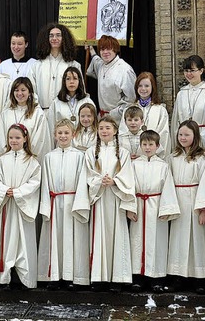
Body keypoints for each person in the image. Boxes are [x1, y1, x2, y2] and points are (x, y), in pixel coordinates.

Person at [85, 115, 136, 291]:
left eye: (108, 128)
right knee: (99, 236)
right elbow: (89, 173)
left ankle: (118, 278)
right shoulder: (91, 152)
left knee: (118, 235)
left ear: (115, 131)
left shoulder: (123, 152)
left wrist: (115, 181)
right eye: (101, 128)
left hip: (116, 199)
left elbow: (128, 175)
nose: (104, 131)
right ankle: (99, 277)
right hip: (99, 199)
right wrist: (99, 181)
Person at [0, 124, 41, 290]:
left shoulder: (32, 161)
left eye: (17, 137)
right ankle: (4, 276)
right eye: (11, 137)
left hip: (22, 207)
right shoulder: (3, 160)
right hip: (7, 206)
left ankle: (25, 278)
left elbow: (35, 181)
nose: (14, 141)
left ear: (25, 139)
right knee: (6, 239)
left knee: (23, 241)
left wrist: (18, 192)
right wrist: (4, 190)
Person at [38, 119, 90, 289]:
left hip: (72, 203)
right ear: (54, 135)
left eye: (66, 133)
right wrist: (46, 206)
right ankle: (54, 276)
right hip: (55, 202)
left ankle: (71, 276)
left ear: (73, 134)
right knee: (55, 238)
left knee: (72, 240)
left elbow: (83, 181)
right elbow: (45, 183)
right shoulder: (48, 157)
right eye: (60, 133)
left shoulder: (79, 156)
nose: (63, 136)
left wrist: (79, 203)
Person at [127, 130, 180, 292]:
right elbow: (129, 186)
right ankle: (138, 277)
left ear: (158, 146)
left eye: (151, 144)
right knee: (136, 242)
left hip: (156, 205)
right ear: (140, 145)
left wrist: (166, 209)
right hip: (139, 204)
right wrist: (130, 207)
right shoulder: (134, 165)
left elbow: (168, 187)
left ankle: (156, 277)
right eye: (144, 144)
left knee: (157, 242)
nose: (147, 148)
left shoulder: (163, 166)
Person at [166, 120, 205, 293]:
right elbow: (168, 181)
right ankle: (179, 277)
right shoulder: (173, 157)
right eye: (180, 135)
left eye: (187, 135)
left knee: (198, 240)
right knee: (178, 241)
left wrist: (204, 209)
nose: (183, 138)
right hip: (178, 201)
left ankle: (201, 279)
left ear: (195, 136)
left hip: (195, 201)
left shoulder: (202, 158)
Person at [0, 77, 51, 163]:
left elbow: (40, 140)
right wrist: (9, 156)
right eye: (16, 90)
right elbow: (1, 139)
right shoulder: (5, 114)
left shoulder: (38, 114)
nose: (19, 93)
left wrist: (26, 156)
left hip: (29, 160)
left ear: (30, 92)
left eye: (23, 90)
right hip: (9, 160)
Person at [28, 23, 81, 110]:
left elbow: (79, 91)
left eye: (58, 35)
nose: (54, 38)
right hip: (43, 112)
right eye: (51, 36)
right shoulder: (37, 65)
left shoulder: (73, 65)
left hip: (66, 113)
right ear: (46, 39)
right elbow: (31, 91)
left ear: (64, 38)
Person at [119, 72, 171, 158]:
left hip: (152, 157)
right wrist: (129, 154)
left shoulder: (160, 110)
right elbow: (123, 133)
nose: (143, 89)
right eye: (140, 86)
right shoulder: (128, 110)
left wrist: (152, 155)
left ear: (152, 87)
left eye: (147, 86)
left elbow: (163, 136)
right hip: (131, 157)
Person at [86, 35, 136, 122]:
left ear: (115, 49)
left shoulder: (125, 70)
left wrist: (113, 114)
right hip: (102, 118)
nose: (105, 52)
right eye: (102, 49)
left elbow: (131, 99)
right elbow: (96, 60)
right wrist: (91, 50)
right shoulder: (102, 65)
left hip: (119, 120)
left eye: (108, 49)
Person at [171, 55, 205, 137]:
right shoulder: (182, 93)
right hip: (184, 137)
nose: (189, 74)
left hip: (204, 136)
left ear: (201, 71)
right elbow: (176, 121)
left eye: (192, 70)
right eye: (186, 71)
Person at [47, 67, 95, 134]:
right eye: (68, 79)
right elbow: (51, 127)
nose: (71, 82)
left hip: (82, 142)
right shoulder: (56, 103)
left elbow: (93, 127)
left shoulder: (87, 101)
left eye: (75, 78)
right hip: (63, 142)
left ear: (79, 81)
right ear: (64, 81)